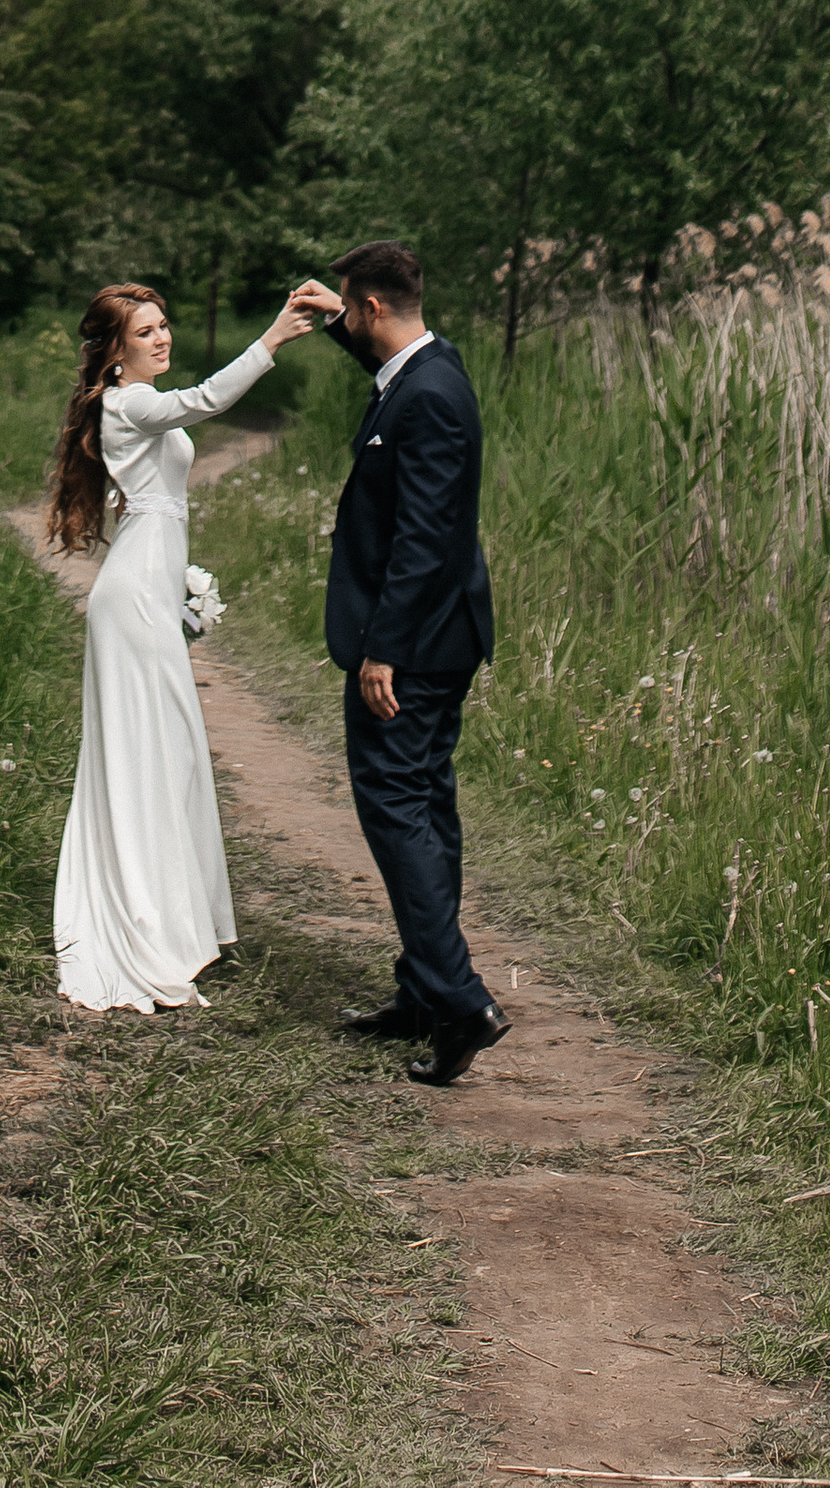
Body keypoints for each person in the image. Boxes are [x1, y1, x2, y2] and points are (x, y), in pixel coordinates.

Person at [44, 279, 322, 1013]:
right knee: (149, 751)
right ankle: (146, 920)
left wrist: (183, 593)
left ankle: (175, 914)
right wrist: (272, 339)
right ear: (114, 351)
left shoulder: (135, 404)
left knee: (167, 751)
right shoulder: (125, 402)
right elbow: (200, 403)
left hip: (148, 589)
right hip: (131, 598)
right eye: (146, 332)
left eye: (164, 326)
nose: (162, 338)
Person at [288, 240, 507, 1087]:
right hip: (433, 639)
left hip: (413, 647)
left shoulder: (432, 399)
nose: (347, 317)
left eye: (349, 307)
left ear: (373, 307)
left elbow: (427, 540)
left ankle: (460, 1004)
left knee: (396, 808)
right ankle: (423, 992)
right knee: (425, 805)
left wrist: (383, 651)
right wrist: (331, 319)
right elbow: (391, 370)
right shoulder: (429, 367)